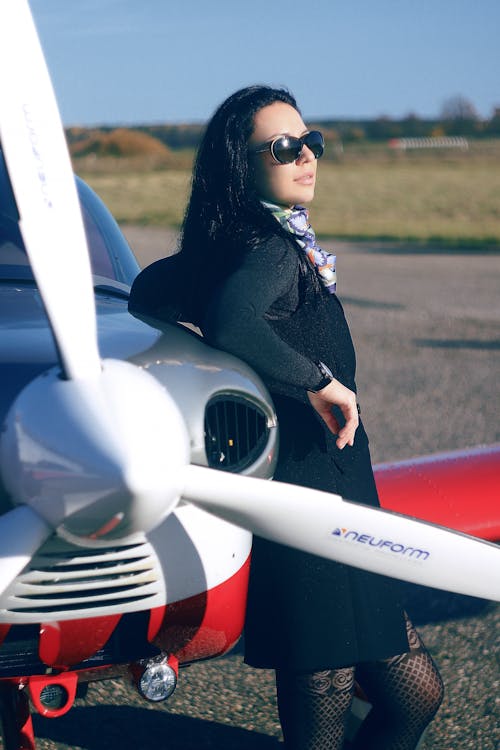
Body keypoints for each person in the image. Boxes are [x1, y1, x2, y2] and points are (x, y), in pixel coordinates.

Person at [176, 85, 444, 749]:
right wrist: (320, 382)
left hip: (336, 478)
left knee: (413, 687)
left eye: (311, 142)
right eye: (286, 148)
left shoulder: (255, 240)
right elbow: (235, 319)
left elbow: (157, 292)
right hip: (308, 485)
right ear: (244, 166)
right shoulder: (266, 250)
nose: (307, 158)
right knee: (327, 694)